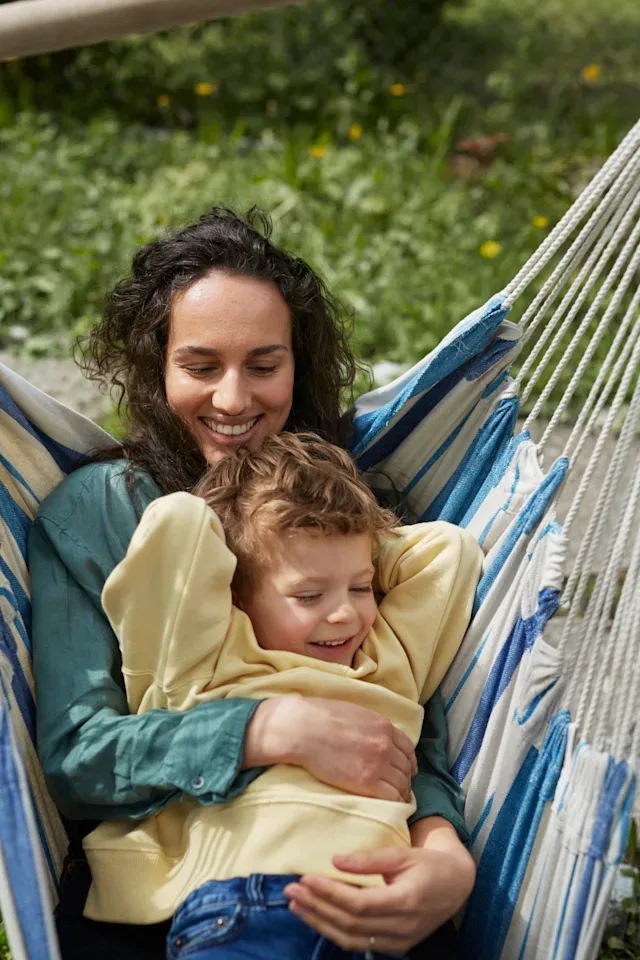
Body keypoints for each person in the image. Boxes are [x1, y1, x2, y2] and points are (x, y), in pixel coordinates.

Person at [29, 206, 478, 960]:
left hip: (365, 872)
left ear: (298, 366)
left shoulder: (348, 506)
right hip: (183, 898)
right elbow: (77, 760)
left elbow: (406, 714)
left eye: (264, 366)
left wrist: (442, 853)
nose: (234, 400)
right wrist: (269, 728)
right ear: (156, 366)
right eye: (201, 367)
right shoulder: (102, 515)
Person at [82, 433, 483, 960]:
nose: (344, 614)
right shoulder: (205, 659)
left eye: (362, 588)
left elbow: (448, 549)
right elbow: (177, 523)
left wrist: (350, 533)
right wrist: (252, 543)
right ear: (234, 592)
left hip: (382, 915)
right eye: (309, 595)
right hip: (252, 906)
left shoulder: (388, 666)